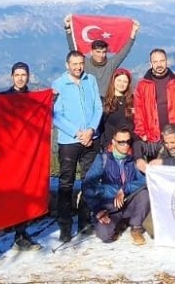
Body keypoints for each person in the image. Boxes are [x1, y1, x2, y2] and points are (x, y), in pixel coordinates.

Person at [0, 62, 44, 267]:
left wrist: (53, 96)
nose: (20, 78)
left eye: (24, 75)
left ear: (28, 77)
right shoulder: (2, 99)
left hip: (23, 158)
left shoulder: (34, 101)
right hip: (1, 159)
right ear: (11, 77)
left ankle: (20, 235)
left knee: (22, 198)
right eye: (17, 75)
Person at [52, 50, 102, 243]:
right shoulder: (58, 85)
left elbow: (97, 107)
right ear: (67, 65)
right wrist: (77, 133)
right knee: (66, 184)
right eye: (74, 64)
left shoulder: (91, 80)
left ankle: (84, 221)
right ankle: (65, 226)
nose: (78, 67)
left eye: (81, 63)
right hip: (69, 141)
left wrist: (90, 129)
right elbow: (55, 115)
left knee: (90, 181)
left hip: (91, 138)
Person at [81, 127, 150, 245]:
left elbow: (144, 180)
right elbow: (88, 185)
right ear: (113, 142)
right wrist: (97, 210)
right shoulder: (103, 158)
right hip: (110, 205)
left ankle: (136, 227)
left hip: (129, 201)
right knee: (104, 235)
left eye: (128, 141)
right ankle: (118, 225)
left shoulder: (134, 158)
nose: (125, 145)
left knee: (144, 194)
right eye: (121, 142)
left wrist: (124, 189)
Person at [132, 48, 175, 144]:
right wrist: (142, 134)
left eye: (162, 61)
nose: (159, 64)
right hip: (152, 137)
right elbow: (139, 112)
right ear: (150, 63)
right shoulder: (142, 85)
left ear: (166, 62)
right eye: (155, 62)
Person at [99, 68, 135, 147]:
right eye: (119, 80)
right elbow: (100, 127)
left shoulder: (133, 101)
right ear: (113, 81)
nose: (121, 84)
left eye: (125, 81)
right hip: (110, 146)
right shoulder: (104, 102)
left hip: (130, 146)